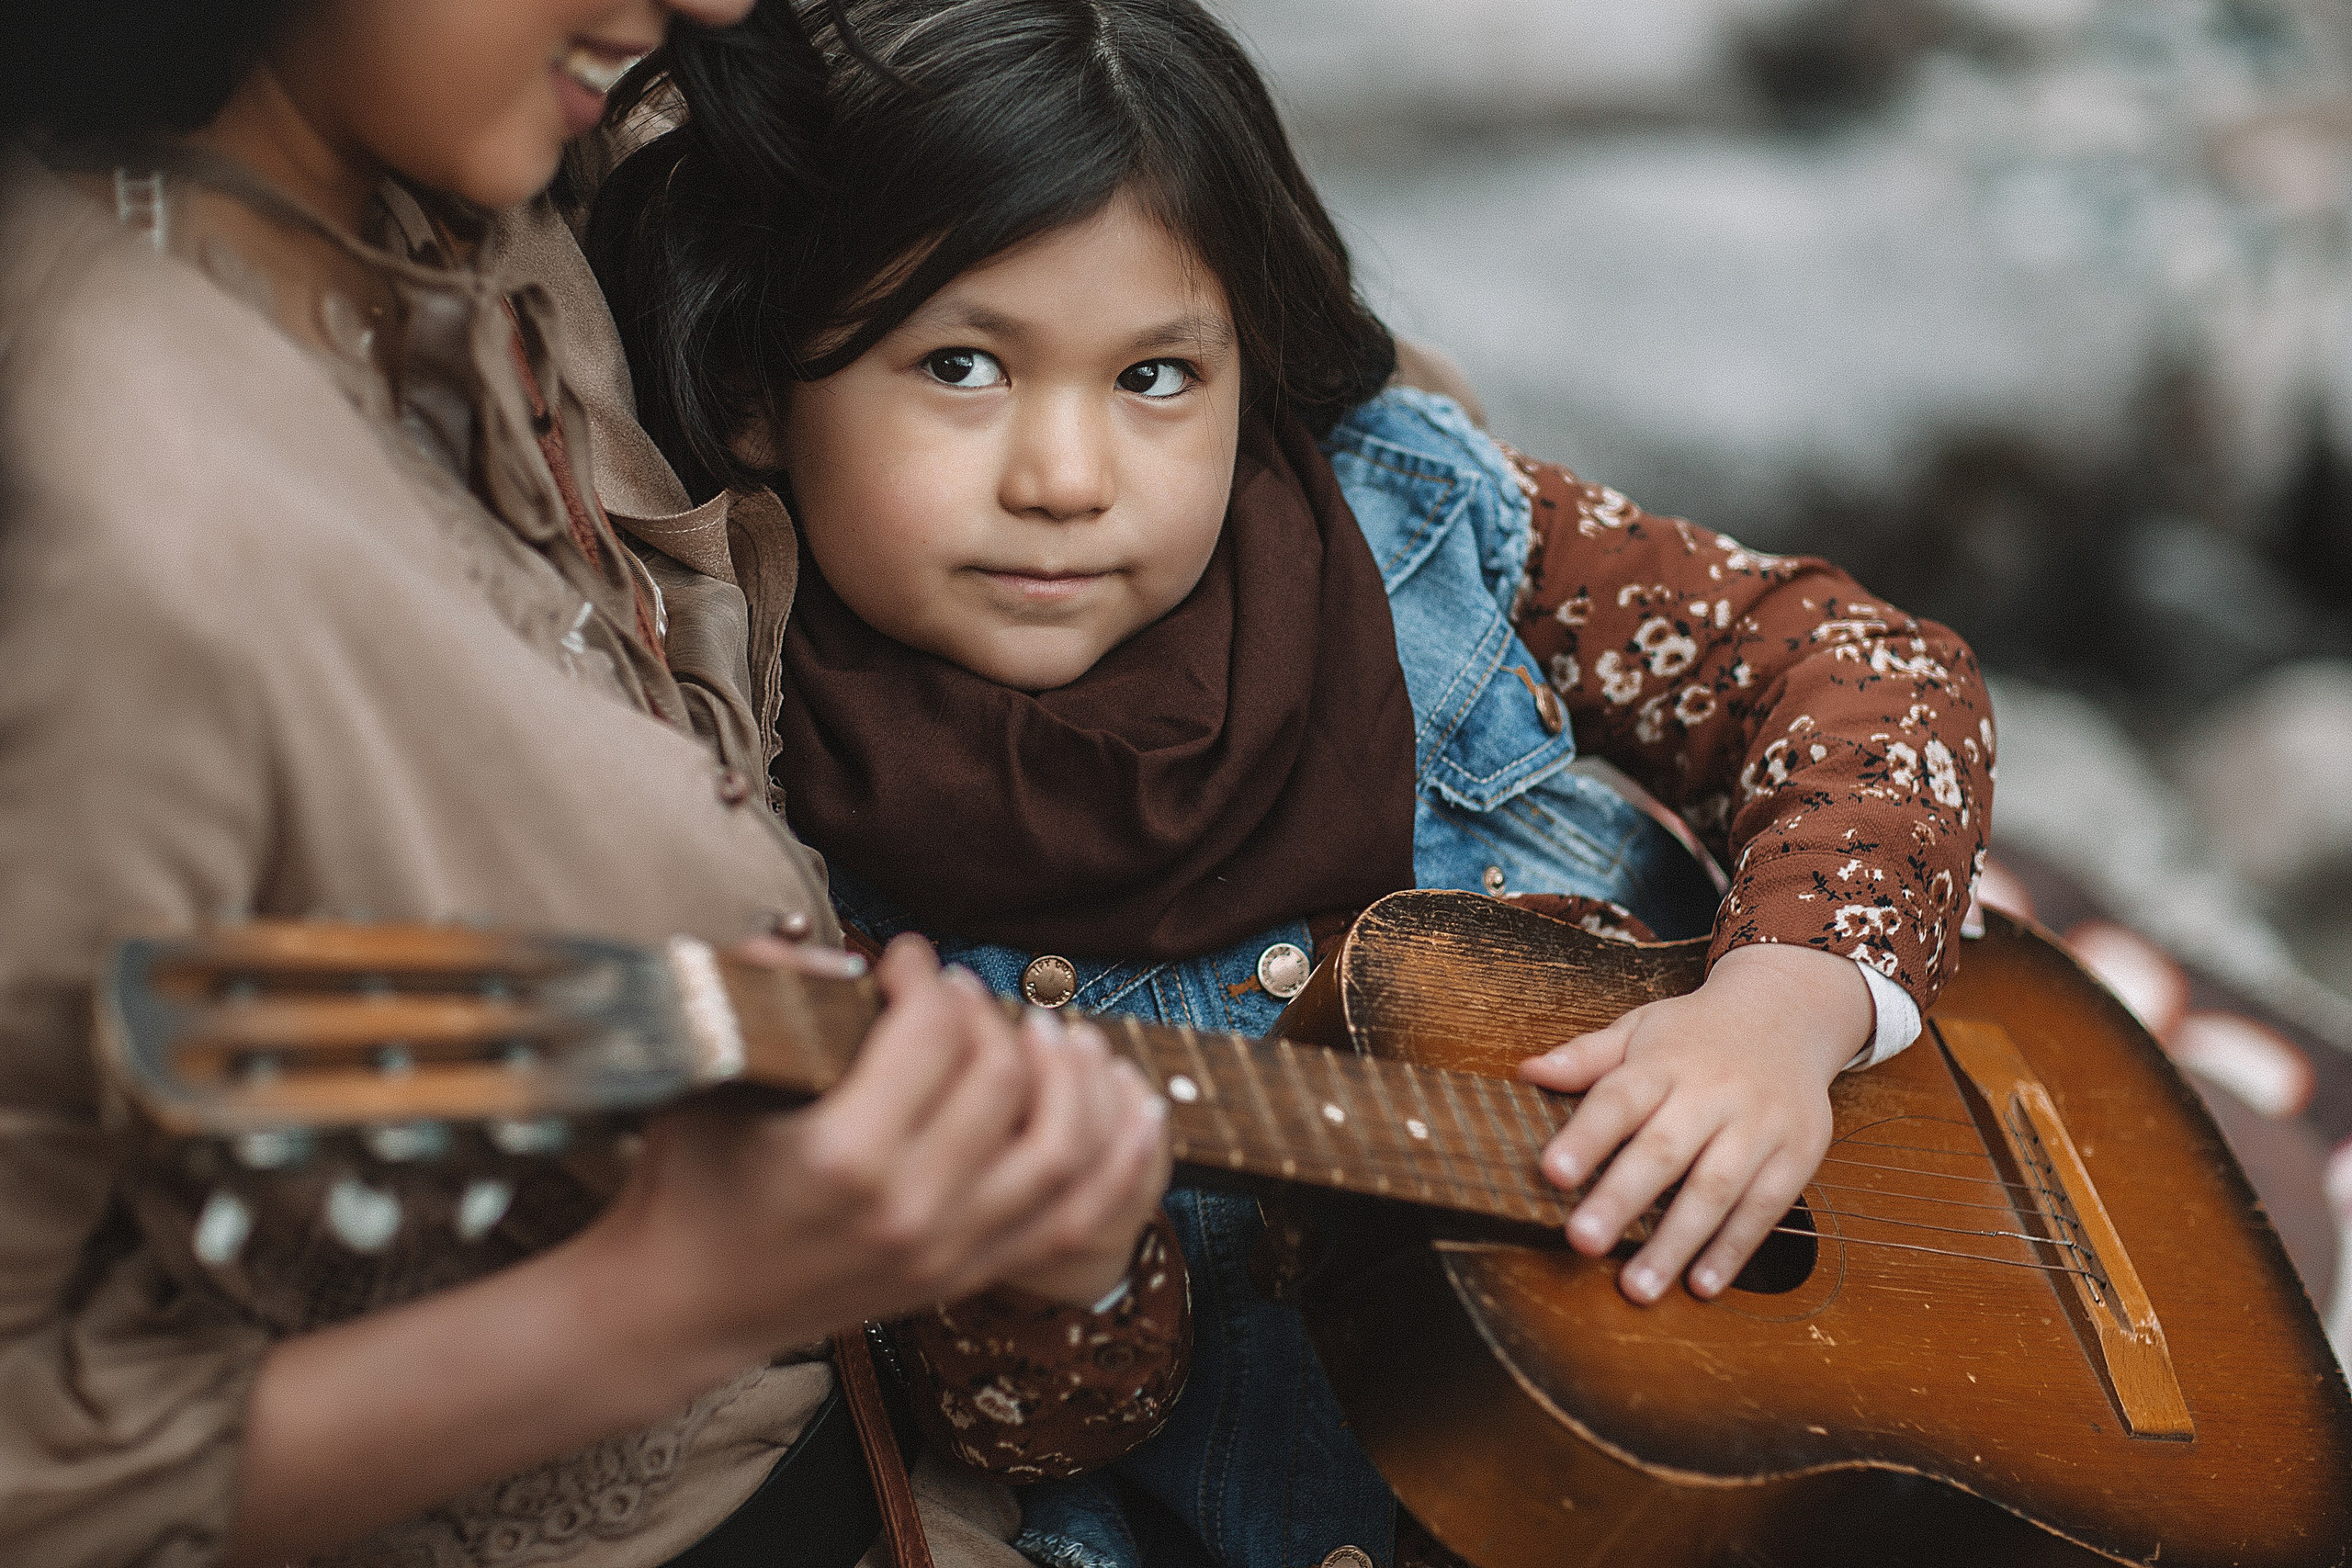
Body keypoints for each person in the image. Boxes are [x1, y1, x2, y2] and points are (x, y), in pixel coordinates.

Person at [586, 3, 1996, 1566]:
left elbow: (1854, 668)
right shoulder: (766, 840)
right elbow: (1037, 1434)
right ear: (757, 392)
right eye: (963, 365)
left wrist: (1782, 1016)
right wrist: (1053, 1272)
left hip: (1797, 1426)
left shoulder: (1423, 524)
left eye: (1156, 377)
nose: (1065, 477)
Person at [0, 4, 1190, 1566]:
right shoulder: (119, 516)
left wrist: (1628, 997)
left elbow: (1246, 311)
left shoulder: (536, 153)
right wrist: (676, 1292)